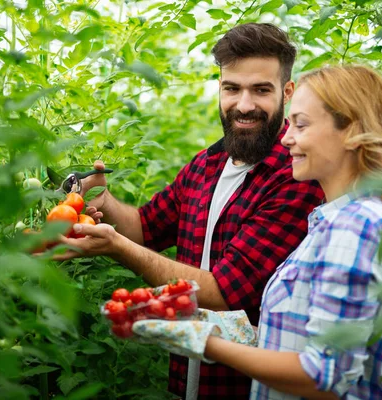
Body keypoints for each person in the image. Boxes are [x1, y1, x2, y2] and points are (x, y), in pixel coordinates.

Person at [55, 23, 324, 399]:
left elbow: (225, 292)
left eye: (261, 90)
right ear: (219, 88)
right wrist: (105, 203)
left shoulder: (295, 176)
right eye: (232, 88)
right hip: (188, 381)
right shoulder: (207, 164)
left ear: (287, 92)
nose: (244, 105)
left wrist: (116, 246)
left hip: (245, 387)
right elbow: (147, 228)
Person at [133, 65, 382, 400]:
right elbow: (297, 340)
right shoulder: (336, 222)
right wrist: (211, 324)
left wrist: (206, 343)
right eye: (290, 123)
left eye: (302, 124)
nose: (288, 137)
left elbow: (322, 377)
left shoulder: (355, 228)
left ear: (350, 131)